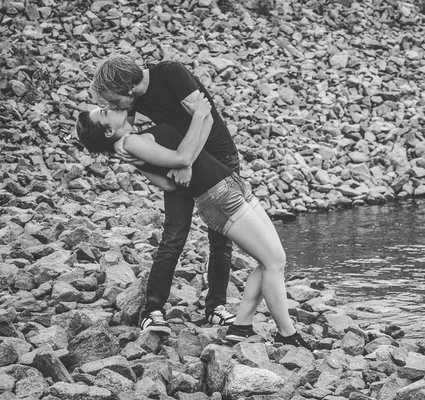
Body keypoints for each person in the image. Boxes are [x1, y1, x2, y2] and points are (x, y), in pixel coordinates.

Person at [75, 97, 312, 350]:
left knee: (274, 260)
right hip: (219, 197)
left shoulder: (133, 142)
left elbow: (168, 183)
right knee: (273, 261)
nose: (110, 107)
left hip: (230, 186)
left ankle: (242, 326)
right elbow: (182, 158)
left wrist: (146, 164)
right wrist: (199, 115)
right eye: (104, 112)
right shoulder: (132, 142)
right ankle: (287, 334)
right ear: (109, 130)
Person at [90, 55, 239, 332]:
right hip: (180, 165)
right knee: (174, 235)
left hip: (218, 158)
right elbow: (126, 127)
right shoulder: (131, 100)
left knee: (221, 239)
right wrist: (122, 144)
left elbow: (203, 116)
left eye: (114, 101)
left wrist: (188, 162)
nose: (112, 106)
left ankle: (216, 306)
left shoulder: (171, 73)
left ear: (129, 89)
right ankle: (153, 309)